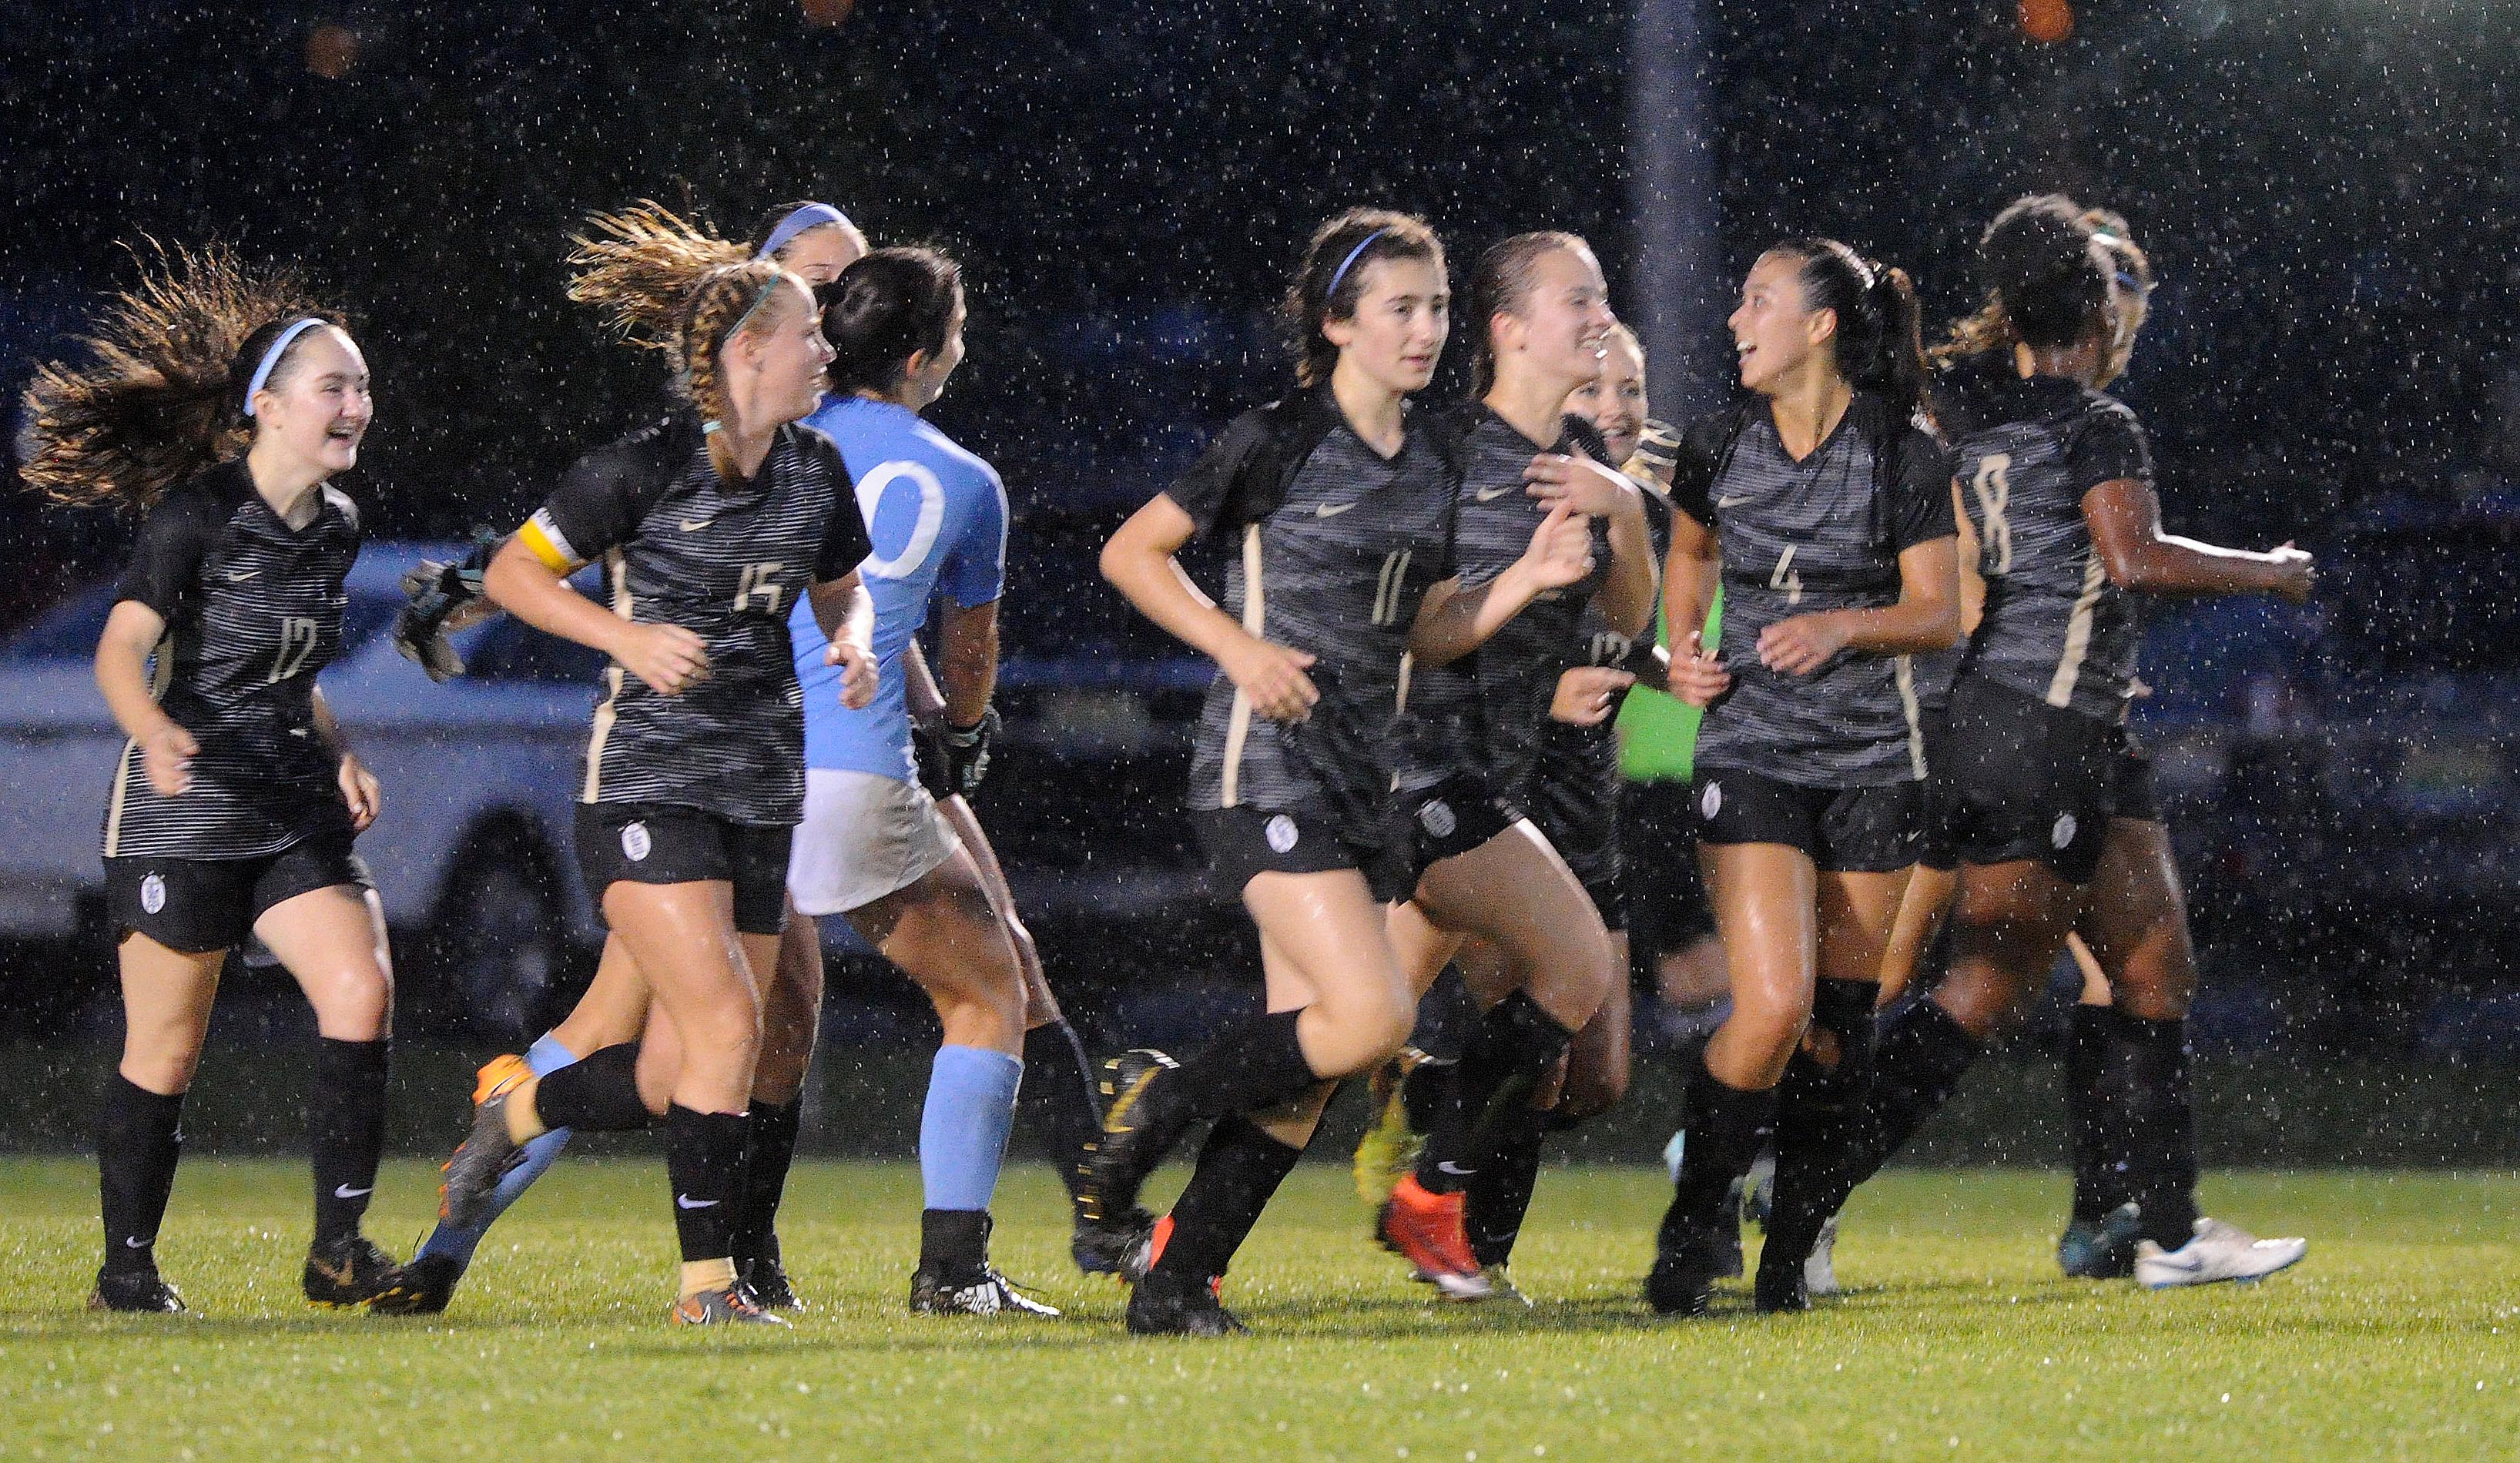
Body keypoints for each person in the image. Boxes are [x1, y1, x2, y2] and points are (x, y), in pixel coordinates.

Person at [1758, 196, 2311, 1293]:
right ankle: (1798, 1194)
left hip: (2056, 727)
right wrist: (2273, 571)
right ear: (2099, 307)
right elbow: (2135, 557)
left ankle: (2167, 1228)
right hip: (2036, 730)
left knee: (2154, 971)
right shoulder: (2094, 426)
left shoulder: (1969, 410)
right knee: (1977, 989)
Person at [1091, 209, 1597, 1334]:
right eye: (1400, 310)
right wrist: (1237, 646)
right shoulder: (1274, 439)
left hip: (1358, 781)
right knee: (1365, 1017)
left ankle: (1175, 1283)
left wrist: (1521, 583)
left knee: (1306, 1068)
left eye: (1438, 309)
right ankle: (1154, 1097)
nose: (1426, 331)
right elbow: (1131, 552)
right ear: (1336, 324)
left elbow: (1422, 629)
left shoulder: (1436, 454)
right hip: (1262, 766)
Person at [424, 201, 878, 1327]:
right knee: (727, 1023)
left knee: (688, 1070)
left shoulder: (819, 471)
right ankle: (706, 1291)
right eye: (811, 332)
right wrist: (624, 637)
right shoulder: (638, 469)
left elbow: (840, 588)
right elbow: (519, 577)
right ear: (745, 354)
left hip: (763, 790)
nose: (829, 350)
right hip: (645, 787)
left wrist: (854, 640)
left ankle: (520, 1112)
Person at [21, 242, 402, 1312]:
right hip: (180, 812)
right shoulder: (197, 515)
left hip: (288, 805)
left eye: (363, 386)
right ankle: (127, 1273)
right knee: (168, 1048)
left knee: (361, 988)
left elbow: (290, 673)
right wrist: (152, 729)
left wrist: (340, 753)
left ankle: (339, 1249)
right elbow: (118, 649)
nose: (356, 404)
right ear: (270, 407)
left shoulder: (337, 527)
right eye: (335, 385)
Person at [1643, 238, 1960, 1317]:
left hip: (1874, 766)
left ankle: (1787, 1263)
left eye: (1757, 301)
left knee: (1838, 1032)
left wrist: (1841, 626)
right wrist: (1683, 651)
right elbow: (1690, 555)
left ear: (1820, 326)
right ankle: (1693, 1231)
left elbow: (1941, 612)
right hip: (1751, 752)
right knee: (1772, 1007)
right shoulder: (1723, 437)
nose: (1737, 320)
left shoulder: (1904, 454)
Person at [1350, 240, 1657, 1301]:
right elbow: (1412, 633)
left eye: (1603, 295)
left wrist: (1621, 504)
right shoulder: (1448, 455)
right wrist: (1527, 581)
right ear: (1511, 330)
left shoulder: (1579, 455)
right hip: (1428, 779)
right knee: (1553, 993)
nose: (1600, 316)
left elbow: (1627, 620)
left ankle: (1175, 1177)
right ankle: (1446, 1219)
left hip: (1516, 787)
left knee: (1376, 1033)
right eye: (1580, 297)